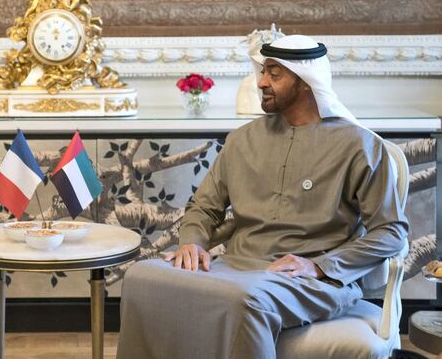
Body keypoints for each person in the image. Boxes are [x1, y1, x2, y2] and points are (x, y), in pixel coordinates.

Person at [116, 34, 409, 359]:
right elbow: (204, 207)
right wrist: (193, 243)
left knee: (246, 298)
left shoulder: (360, 146)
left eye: (274, 73)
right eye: (262, 71)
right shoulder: (241, 140)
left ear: (305, 81)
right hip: (233, 268)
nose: (262, 82)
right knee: (141, 277)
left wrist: (322, 266)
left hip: (306, 280)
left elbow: (391, 233)